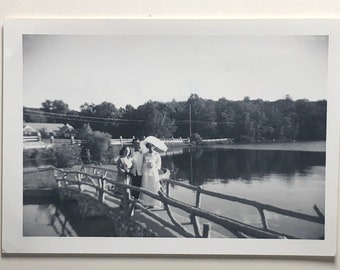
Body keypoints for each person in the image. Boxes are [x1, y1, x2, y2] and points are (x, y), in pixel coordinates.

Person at [140, 142, 162, 208]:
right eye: (149, 146)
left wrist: (153, 166)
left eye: (152, 145)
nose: (151, 147)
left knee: (154, 187)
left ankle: (154, 203)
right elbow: (142, 163)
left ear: (154, 146)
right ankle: (146, 203)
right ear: (147, 147)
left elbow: (158, 165)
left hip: (153, 173)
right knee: (146, 186)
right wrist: (146, 164)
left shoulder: (157, 154)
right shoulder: (145, 154)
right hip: (146, 172)